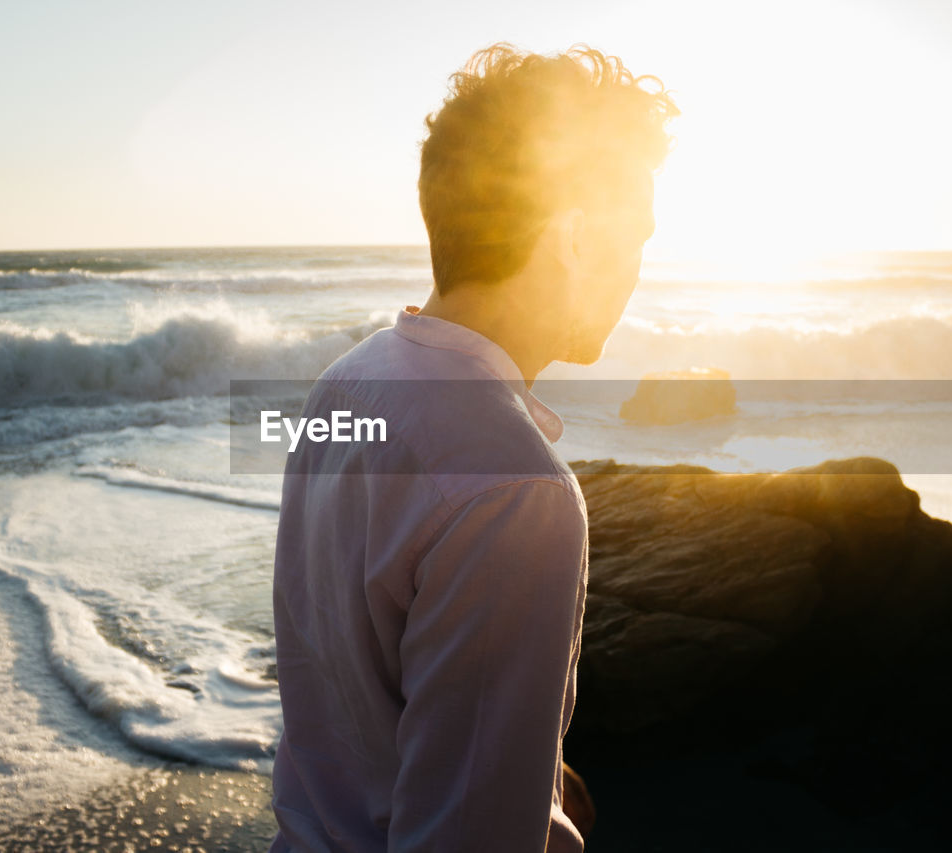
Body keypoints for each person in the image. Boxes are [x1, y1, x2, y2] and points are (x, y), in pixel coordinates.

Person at [268, 43, 676, 852]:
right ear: (574, 237)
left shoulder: (346, 384)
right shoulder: (518, 490)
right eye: (636, 239)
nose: (637, 272)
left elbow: (355, 683)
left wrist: (540, 778)